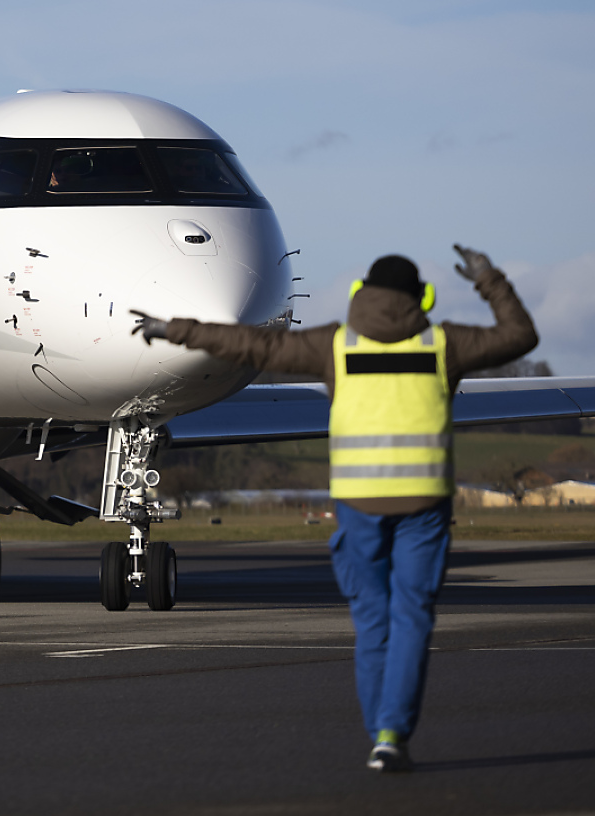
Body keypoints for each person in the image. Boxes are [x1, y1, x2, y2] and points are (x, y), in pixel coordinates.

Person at [132, 245, 538, 772]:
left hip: (360, 508)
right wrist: (490, 278)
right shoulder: (445, 344)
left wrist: (174, 329)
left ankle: (380, 738)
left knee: (372, 622)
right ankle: (393, 733)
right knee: (412, 618)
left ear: (358, 295)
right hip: (424, 508)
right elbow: (520, 335)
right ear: (425, 298)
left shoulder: (335, 346)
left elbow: (249, 344)